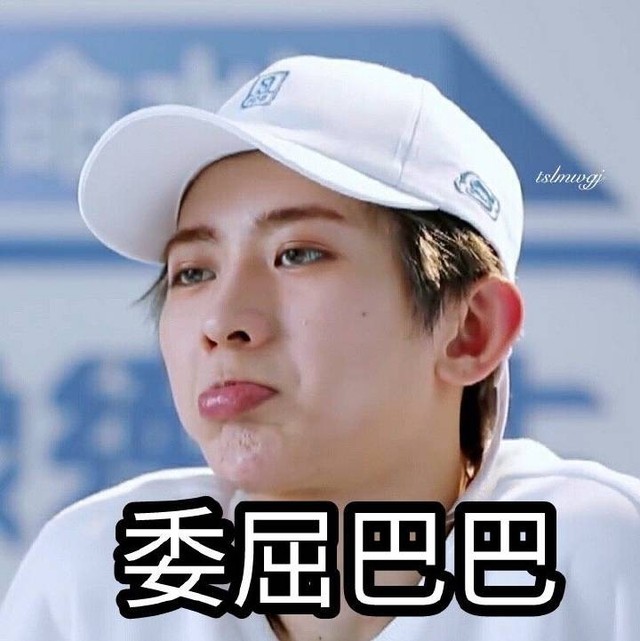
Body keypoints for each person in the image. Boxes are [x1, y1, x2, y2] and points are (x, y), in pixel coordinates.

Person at [1, 54, 639, 641]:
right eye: (193, 271)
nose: (222, 322)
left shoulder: (602, 559)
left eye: (299, 254)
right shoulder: (97, 578)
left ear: (471, 329)